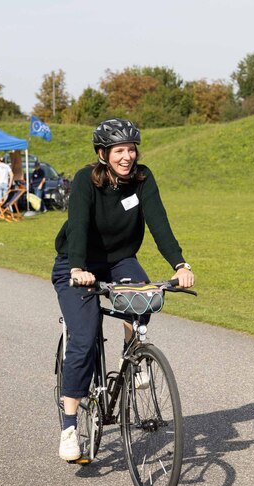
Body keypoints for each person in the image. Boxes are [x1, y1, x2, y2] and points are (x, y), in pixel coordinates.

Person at [51, 118, 195, 461]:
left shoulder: (142, 179)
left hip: (120, 260)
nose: (127, 156)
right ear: (103, 154)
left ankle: (134, 353)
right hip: (77, 262)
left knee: (145, 297)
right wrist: (77, 267)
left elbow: (159, 222)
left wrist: (180, 264)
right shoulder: (87, 180)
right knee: (85, 338)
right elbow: (80, 225)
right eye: (119, 150)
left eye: (131, 149)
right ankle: (70, 428)